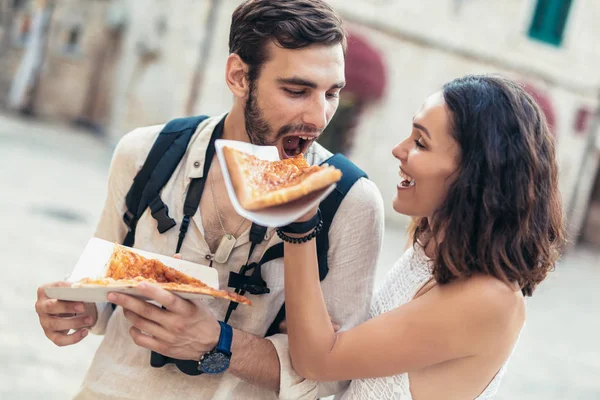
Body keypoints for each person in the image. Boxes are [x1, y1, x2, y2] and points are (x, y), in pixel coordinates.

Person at [34, 1, 384, 399]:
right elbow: (98, 295)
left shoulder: (351, 201)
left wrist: (219, 343)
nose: (319, 117)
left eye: (332, 93)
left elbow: (334, 379)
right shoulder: (146, 151)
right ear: (238, 76)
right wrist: (72, 309)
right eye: (296, 90)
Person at [279, 75, 566, 399]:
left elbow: (316, 361)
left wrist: (299, 221)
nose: (398, 149)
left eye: (421, 143)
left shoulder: (488, 299)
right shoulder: (431, 249)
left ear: (475, 173)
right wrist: (315, 331)